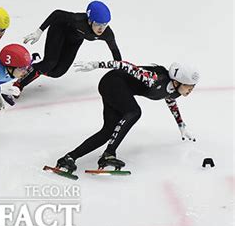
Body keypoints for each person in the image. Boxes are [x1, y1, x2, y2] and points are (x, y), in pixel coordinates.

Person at [55, 60, 199, 173]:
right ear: (176, 81)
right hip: (112, 81)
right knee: (134, 112)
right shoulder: (154, 78)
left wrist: (181, 124)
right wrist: (96, 64)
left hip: (121, 90)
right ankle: (109, 154)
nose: (190, 90)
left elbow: (170, 101)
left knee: (108, 132)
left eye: (193, 87)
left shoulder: (175, 91)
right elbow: (123, 65)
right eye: (188, 86)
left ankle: (69, 158)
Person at [14, 1, 122, 98]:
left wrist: (119, 76)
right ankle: (19, 84)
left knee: (58, 72)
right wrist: (39, 31)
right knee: (50, 63)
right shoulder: (78, 20)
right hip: (59, 30)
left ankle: (36, 67)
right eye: (98, 24)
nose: (101, 29)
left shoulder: (107, 34)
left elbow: (115, 52)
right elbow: (57, 14)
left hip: (74, 40)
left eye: (104, 25)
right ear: (89, 21)